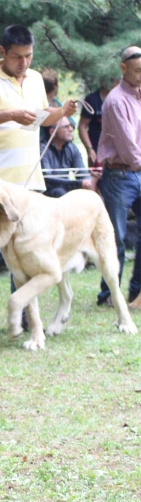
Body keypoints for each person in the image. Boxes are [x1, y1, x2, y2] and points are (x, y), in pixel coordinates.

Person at [0, 24, 76, 339]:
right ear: (2, 53)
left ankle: (29, 316)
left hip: (30, 184)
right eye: (17, 57)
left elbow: (41, 118)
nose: (24, 63)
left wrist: (61, 112)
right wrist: (9, 114)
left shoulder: (37, 79)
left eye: (28, 56)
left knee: (30, 252)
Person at [96, 46, 141, 307]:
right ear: (123, 69)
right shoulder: (115, 101)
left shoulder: (138, 97)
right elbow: (129, 149)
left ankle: (136, 291)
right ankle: (109, 294)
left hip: (137, 172)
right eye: (137, 71)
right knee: (116, 238)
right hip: (119, 175)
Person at [41, 117, 95, 198]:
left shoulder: (72, 148)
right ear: (52, 132)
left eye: (71, 126)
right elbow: (48, 179)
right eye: (66, 127)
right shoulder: (42, 149)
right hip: (48, 193)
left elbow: (82, 174)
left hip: (66, 188)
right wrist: (79, 184)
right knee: (59, 192)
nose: (70, 129)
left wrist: (89, 182)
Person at [78, 79, 115, 167]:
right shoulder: (92, 99)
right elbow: (82, 126)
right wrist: (89, 149)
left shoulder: (122, 99)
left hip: (117, 151)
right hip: (96, 149)